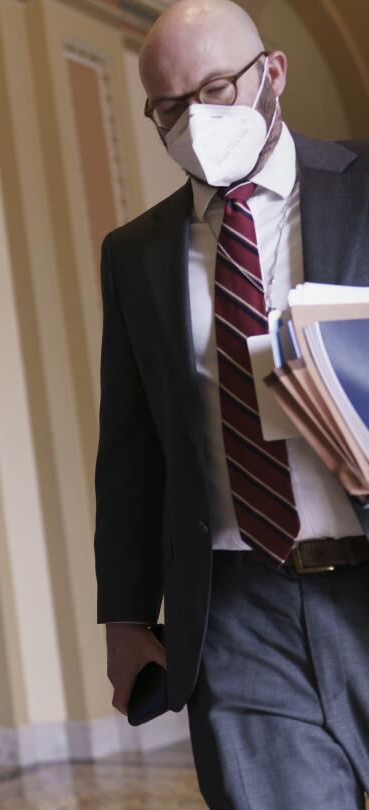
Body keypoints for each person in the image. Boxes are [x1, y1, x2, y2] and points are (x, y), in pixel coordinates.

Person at [94, 1, 369, 807]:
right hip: (238, 605)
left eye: (216, 89)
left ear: (271, 74)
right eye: (171, 107)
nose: (197, 119)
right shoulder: (136, 253)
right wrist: (124, 615)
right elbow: (132, 446)